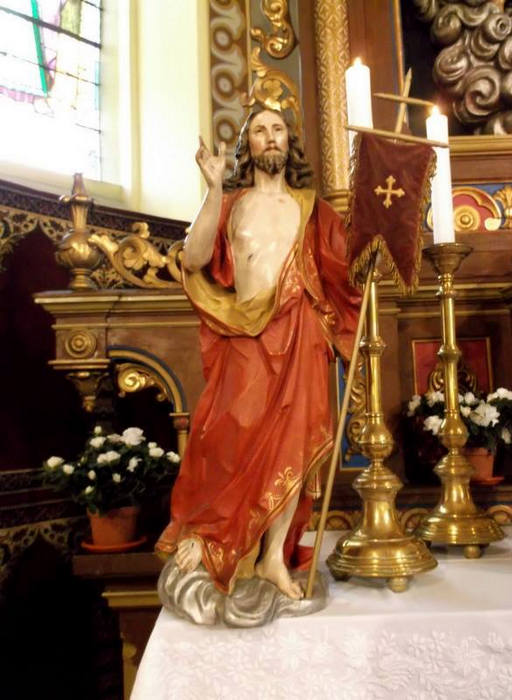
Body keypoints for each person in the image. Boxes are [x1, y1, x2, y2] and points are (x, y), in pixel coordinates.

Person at [156, 106, 361, 600]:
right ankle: (213, 534)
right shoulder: (232, 204)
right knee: (227, 433)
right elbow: (194, 258)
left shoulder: (313, 209)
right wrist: (212, 189)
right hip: (245, 330)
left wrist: (374, 242)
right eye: (261, 131)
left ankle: (271, 558)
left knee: (293, 441)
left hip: (300, 331)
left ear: (290, 141)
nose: (270, 137)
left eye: (278, 129)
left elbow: (348, 266)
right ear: (247, 145)